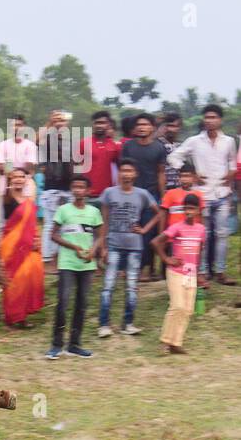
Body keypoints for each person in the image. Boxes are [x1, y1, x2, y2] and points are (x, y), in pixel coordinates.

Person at [167, 104, 237, 285]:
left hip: (222, 193)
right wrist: (192, 174)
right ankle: (203, 271)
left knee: (222, 234)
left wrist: (230, 174)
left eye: (213, 117)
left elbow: (232, 163)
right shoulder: (194, 141)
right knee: (202, 235)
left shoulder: (228, 141)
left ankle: (220, 271)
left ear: (220, 120)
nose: (209, 120)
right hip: (202, 195)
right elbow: (173, 157)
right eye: (207, 117)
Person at [97, 161, 159, 338]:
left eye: (129, 171)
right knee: (108, 286)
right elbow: (104, 221)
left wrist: (145, 229)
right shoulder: (109, 193)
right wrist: (103, 246)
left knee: (131, 287)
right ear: (119, 174)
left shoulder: (142, 194)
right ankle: (103, 324)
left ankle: (128, 323)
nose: (126, 174)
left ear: (135, 174)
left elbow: (159, 213)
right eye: (123, 170)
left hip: (134, 247)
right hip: (114, 245)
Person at [47, 174, 103, 359]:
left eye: (81, 187)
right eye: (75, 187)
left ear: (88, 191)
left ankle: (74, 344)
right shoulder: (63, 210)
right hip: (67, 263)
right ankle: (56, 345)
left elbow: (100, 235)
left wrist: (93, 250)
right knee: (63, 303)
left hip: (87, 265)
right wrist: (74, 247)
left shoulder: (93, 212)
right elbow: (53, 235)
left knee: (82, 304)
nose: (78, 190)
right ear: (71, 189)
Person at [152, 194, 205, 355]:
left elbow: (199, 250)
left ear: (198, 210)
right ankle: (165, 342)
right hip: (176, 272)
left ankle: (176, 343)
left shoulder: (201, 229)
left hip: (191, 273)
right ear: (183, 209)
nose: (189, 211)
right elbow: (155, 242)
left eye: (192, 208)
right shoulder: (177, 227)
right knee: (177, 306)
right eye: (186, 208)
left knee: (188, 309)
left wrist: (199, 272)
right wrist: (166, 259)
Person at [119, 113, 168, 279]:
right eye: (139, 124)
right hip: (131, 194)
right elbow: (123, 171)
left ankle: (145, 268)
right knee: (129, 230)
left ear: (152, 127)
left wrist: (163, 198)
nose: (142, 127)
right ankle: (127, 267)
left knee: (147, 232)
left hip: (151, 194)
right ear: (134, 128)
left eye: (146, 124)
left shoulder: (159, 147)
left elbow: (161, 173)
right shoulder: (128, 147)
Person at [0, 169, 43, 329]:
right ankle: (10, 317)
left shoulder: (29, 201)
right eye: (15, 176)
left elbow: (32, 224)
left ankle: (22, 317)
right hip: (12, 248)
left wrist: (37, 239)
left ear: (26, 180)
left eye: (21, 177)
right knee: (13, 281)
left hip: (29, 246)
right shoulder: (6, 198)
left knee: (28, 278)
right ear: (10, 180)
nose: (18, 179)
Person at [38, 109, 75, 265]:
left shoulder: (70, 141)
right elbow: (37, 141)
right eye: (56, 121)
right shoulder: (46, 139)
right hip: (51, 187)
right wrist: (50, 123)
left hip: (67, 188)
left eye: (62, 121)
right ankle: (47, 257)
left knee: (65, 223)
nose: (60, 124)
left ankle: (60, 255)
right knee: (49, 224)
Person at [76, 110, 121, 196]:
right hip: (86, 195)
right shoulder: (83, 143)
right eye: (96, 123)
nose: (99, 125)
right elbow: (75, 167)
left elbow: (120, 169)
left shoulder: (115, 145)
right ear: (93, 125)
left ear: (108, 125)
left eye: (103, 123)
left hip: (108, 195)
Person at [0, 114, 38, 183]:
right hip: (7, 184)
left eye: (19, 125)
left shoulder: (31, 145)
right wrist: (19, 171)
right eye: (14, 125)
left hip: (25, 183)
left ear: (24, 127)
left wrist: (11, 169)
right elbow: (0, 167)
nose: (16, 128)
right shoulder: (2, 145)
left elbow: (30, 168)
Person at [157, 112, 184, 191]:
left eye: (174, 126)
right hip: (162, 189)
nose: (170, 129)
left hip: (179, 189)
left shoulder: (182, 146)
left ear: (179, 128)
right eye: (169, 126)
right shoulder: (158, 144)